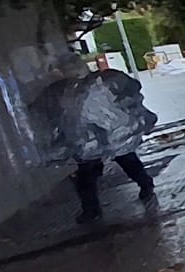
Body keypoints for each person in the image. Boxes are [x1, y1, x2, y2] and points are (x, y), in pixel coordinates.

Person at [31, 52, 159, 225]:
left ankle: (144, 184)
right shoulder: (59, 90)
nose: (68, 72)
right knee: (86, 174)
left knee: (126, 160)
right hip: (84, 140)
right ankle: (91, 209)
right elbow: (46, 108)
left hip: (105, 135)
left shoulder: (95, 84)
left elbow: (125, 93)